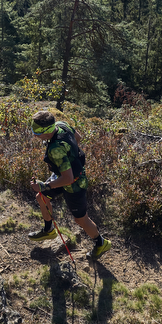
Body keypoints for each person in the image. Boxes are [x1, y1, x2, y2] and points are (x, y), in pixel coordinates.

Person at [28, 110, 111, 260]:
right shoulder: (61, 125)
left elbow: (68, 179)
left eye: (36, 132)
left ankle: (101, 243)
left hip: (75, 184)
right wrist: (71, 155)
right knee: (41, 198)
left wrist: (44, 186)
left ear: (46, 132)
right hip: (64, 176)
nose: (34, 135)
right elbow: (78, 137)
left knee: (80, 219)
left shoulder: (56, 149)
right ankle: (49, 230)